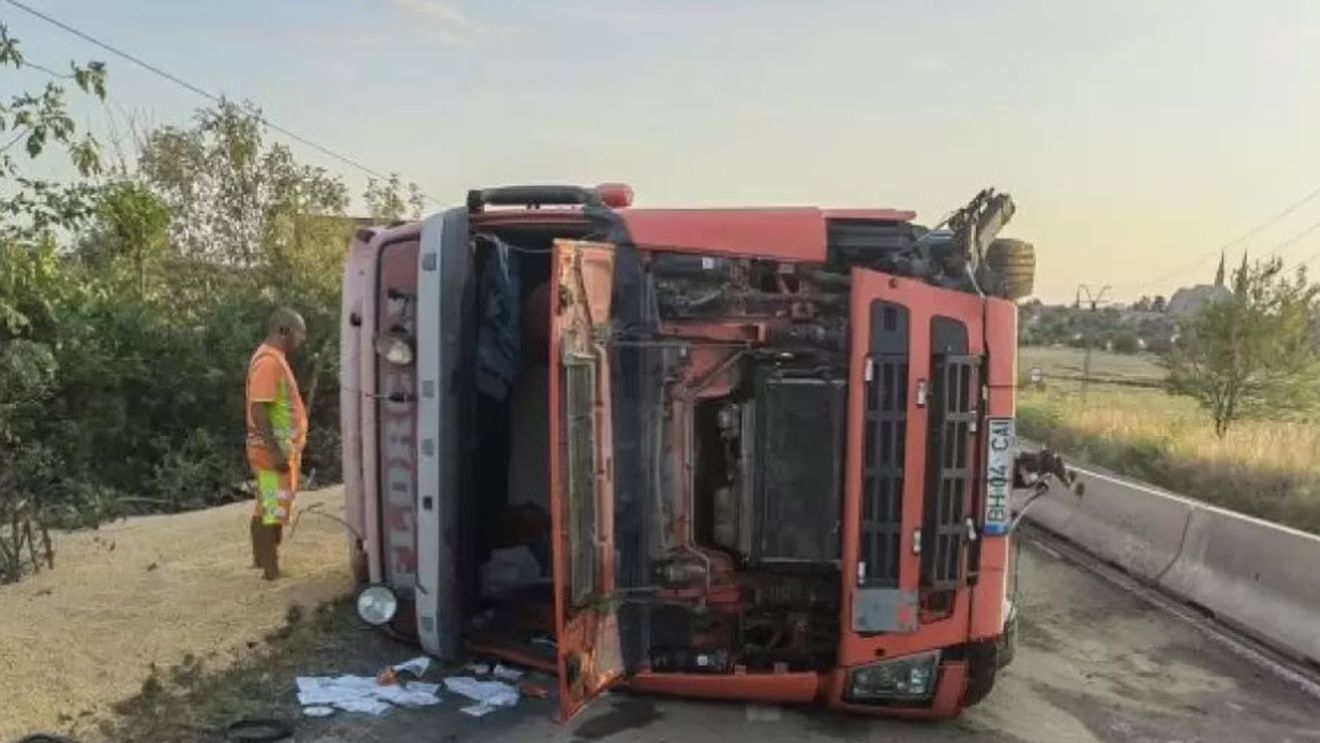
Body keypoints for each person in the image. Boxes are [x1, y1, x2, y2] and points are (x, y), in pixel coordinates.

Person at [246, 307, 308, 580]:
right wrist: (275, 452)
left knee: (268, 504)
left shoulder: (272, 358)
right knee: (272, 507)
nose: (301, 339)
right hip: (271, 450)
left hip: (276, 448)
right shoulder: (269, 362)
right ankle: (271, 569)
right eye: (299, 333)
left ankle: (262, 561)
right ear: (284, 331)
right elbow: (258, 408)